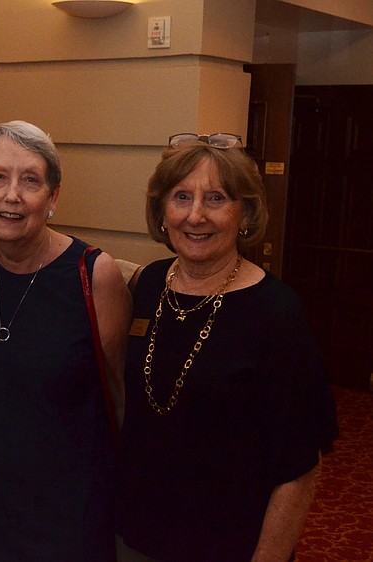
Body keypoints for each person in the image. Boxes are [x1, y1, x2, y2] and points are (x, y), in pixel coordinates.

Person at [115, 134, 338, 562]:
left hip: (228, 544)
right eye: (181, 197)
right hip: (135, 535)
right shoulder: (146, 286)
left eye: (216, 198)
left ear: (246, 213)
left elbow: (300, 465)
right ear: (162, 211)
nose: (196, 215)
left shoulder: (277, 312)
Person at [0, 121, 132, 561]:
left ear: (53, 197)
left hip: (62, 517)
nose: (12, 196)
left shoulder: (95, 276)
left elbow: (119, 397)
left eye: (31, 181)